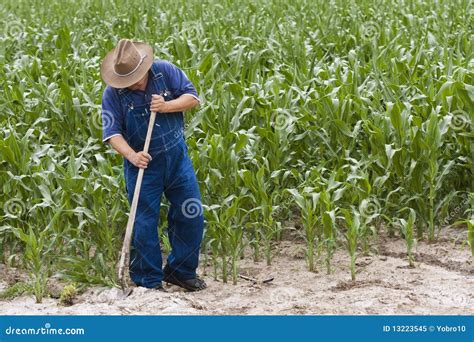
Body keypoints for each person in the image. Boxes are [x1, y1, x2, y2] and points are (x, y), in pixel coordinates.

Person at [100, 39, 207, 291]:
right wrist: (132, 155)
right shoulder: (112, 94)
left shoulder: (166, 71)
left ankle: (181, 271)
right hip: (143, 165)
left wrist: (166, 105)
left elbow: (192, 98)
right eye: (128, 79)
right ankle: (148, 280)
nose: (134, 83)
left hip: (176, 157)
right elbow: (111, 133)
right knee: (144, 223)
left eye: (136, 76)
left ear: (144, 65)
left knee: (191, 213)